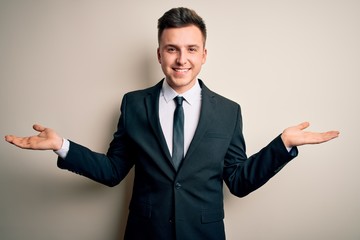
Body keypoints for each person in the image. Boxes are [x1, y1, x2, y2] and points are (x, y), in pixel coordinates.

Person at [5, 7, 339, 240]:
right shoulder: (133, 104)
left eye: (191, 49)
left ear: (204, 54)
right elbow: (112, 171)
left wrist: (283, 146)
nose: (182, 59)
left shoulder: (229, 111)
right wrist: (62, 146)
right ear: (159, 54)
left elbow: (238, 181)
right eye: (172, 49)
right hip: (145, 234)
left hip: (204, 235)